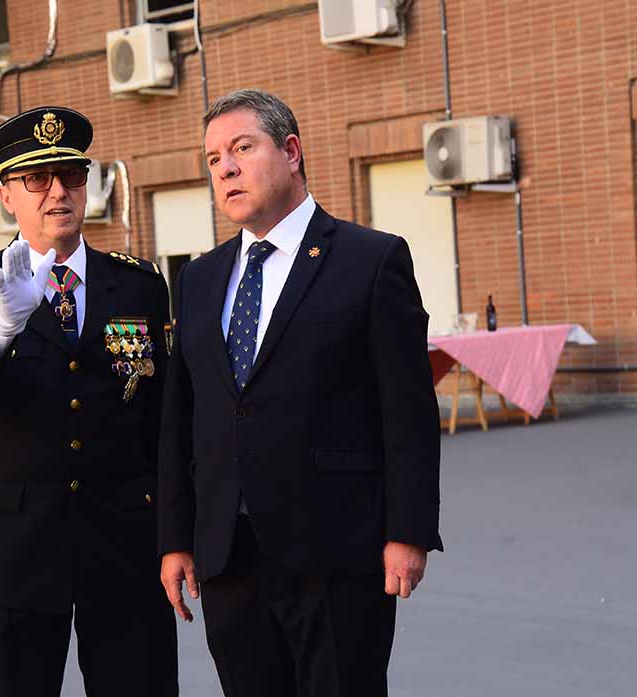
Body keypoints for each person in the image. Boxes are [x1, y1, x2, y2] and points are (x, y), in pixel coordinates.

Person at [157, 89, 443, 696]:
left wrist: (408, 530)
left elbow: (408, 411)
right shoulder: (200, 278)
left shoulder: (371, 260)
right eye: (212, 160)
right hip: (228, 555)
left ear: (290, 152)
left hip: (335, 551)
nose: (226, 169)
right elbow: (183, 417)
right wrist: (177, 539)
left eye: (241, 148)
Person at [0, 105, 177, 697]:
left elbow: (161, 418)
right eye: (37, 179)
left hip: (122, 545)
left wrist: (175, 533)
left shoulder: (137, 283)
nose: (57, 191)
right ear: (7, 194)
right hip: (11, 551)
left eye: (71, 176)